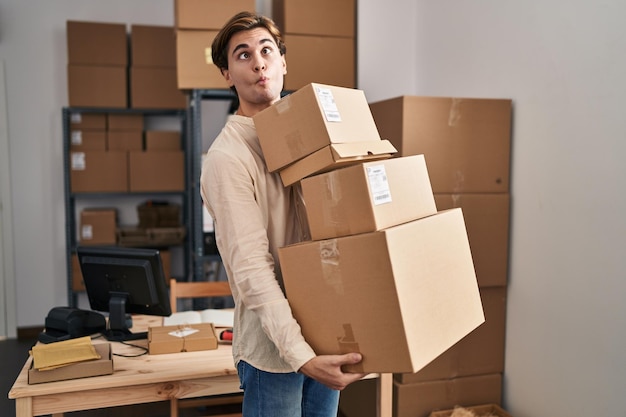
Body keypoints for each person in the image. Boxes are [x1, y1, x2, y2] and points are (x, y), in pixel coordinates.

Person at [200, 11, 366, 417]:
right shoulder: (227, 159)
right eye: (243, 55)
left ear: (283, 62)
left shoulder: (312, 136)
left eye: (266, 50)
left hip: (325, 333)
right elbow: (252, 269)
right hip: (274, 352)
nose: (258, 62)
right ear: (226, 74)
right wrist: (299, 355)